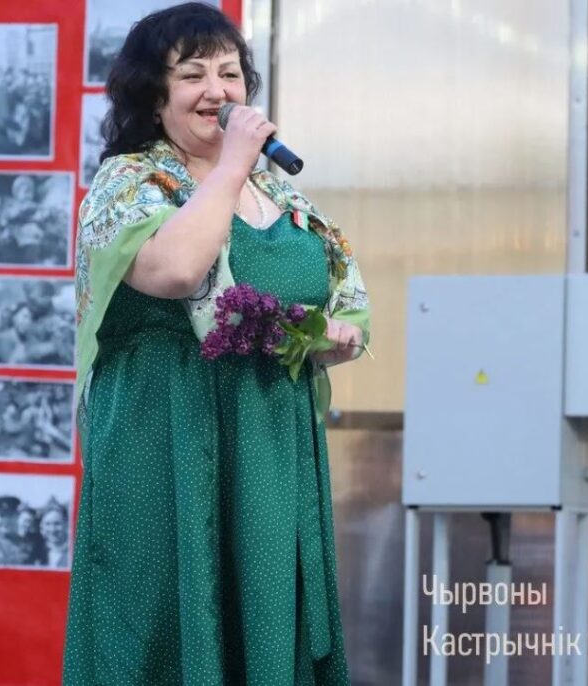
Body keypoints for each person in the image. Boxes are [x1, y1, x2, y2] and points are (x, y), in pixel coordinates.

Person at [64, 4, 370, 685]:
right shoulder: (128, 183)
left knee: (264, 616)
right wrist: (231, 164)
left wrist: (328, 338)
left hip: (269, 437)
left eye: (230, 74)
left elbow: (330, 293)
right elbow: (175, 270)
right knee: (159, 620)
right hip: (164, 434)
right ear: (154, 95)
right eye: (192, 74)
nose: (217, 90)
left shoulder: (281, 195)